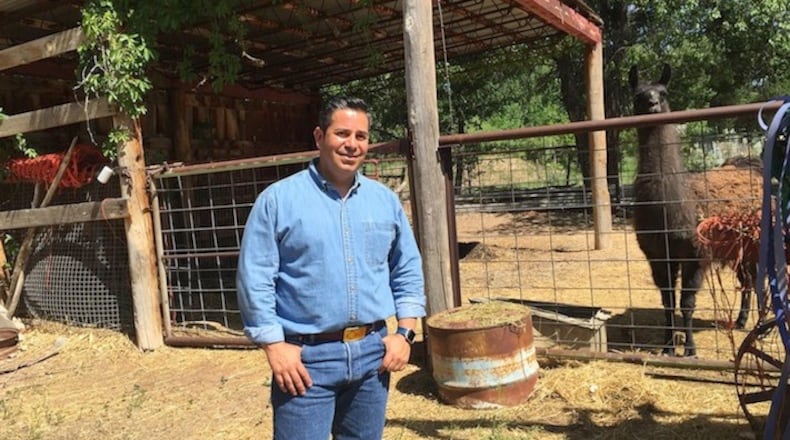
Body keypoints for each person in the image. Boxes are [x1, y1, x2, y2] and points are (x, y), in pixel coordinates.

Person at [236, 96, 426, 440]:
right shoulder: (279, 201)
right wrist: (274, 346)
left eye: (361, 136)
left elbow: (407, 267)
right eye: (342, 134)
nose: (352, 145)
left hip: (373, 354)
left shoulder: (384, 201)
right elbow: (256, 278)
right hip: (306, 361)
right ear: (319, 137)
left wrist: (405, 333)